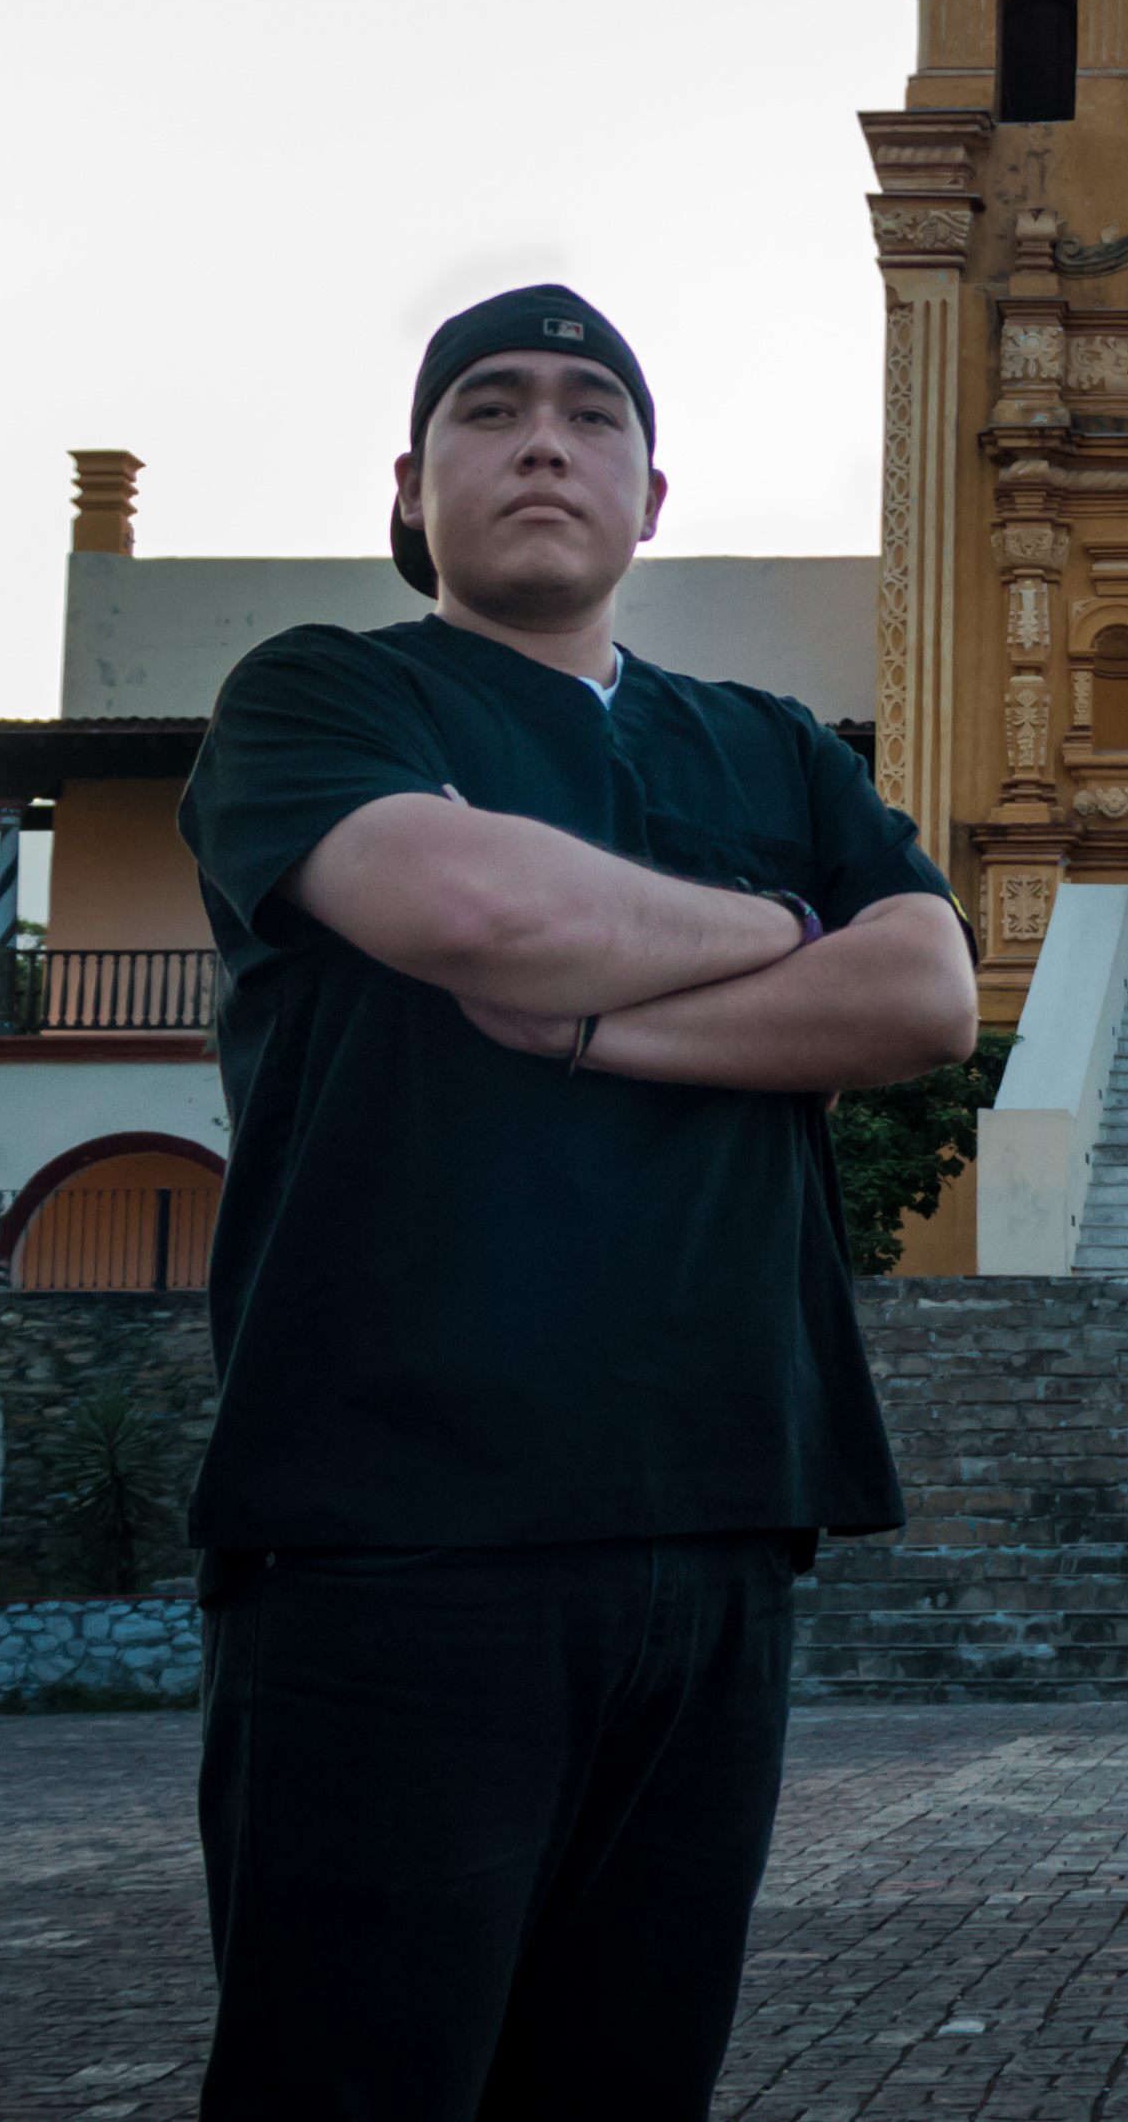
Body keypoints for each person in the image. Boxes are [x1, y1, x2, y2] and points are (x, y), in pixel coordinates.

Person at [177, 284, 981, 2121]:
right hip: (398, 1528)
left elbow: (926, 994)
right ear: (411, 486)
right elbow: (474, 910)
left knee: (626, 2087)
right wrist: (786, 928)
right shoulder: (326, 693)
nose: (543, 440)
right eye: (489, 408)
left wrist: (590, 1023)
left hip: (720, 1513)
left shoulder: (767, 741)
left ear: (650, 494)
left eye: (589, 412)